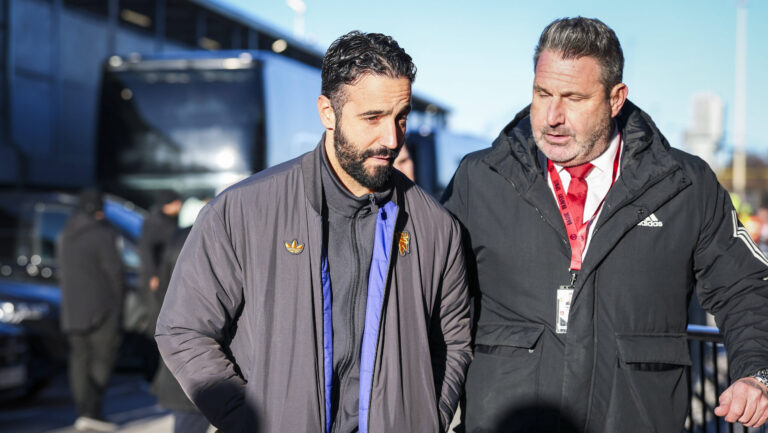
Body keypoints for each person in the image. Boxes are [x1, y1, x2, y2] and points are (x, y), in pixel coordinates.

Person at [442, 17, 768, 433]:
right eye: (543, 93)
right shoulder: (479, 179)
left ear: (616, 99)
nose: (553, 116)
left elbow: (745, 286)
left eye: (574, 97)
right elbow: (429, 296)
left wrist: (757, 373)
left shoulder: (685, 184)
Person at [156, 31, 472, 433]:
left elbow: (454, 341)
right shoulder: (243, 211)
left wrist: (428, 417)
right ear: (327, 112)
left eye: (401, 117)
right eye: (372, 118)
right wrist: (245, 420)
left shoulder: (435, 227)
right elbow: (183, 330)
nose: (391, 139)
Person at [57, 189, 124, 432]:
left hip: (72, 310)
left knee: (79, 360)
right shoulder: (102, 233)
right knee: (102, 358)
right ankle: (92, 410)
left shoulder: (66, 232)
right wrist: (119, 306)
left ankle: (83, 410)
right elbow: (115, 273)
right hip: (101, 309)